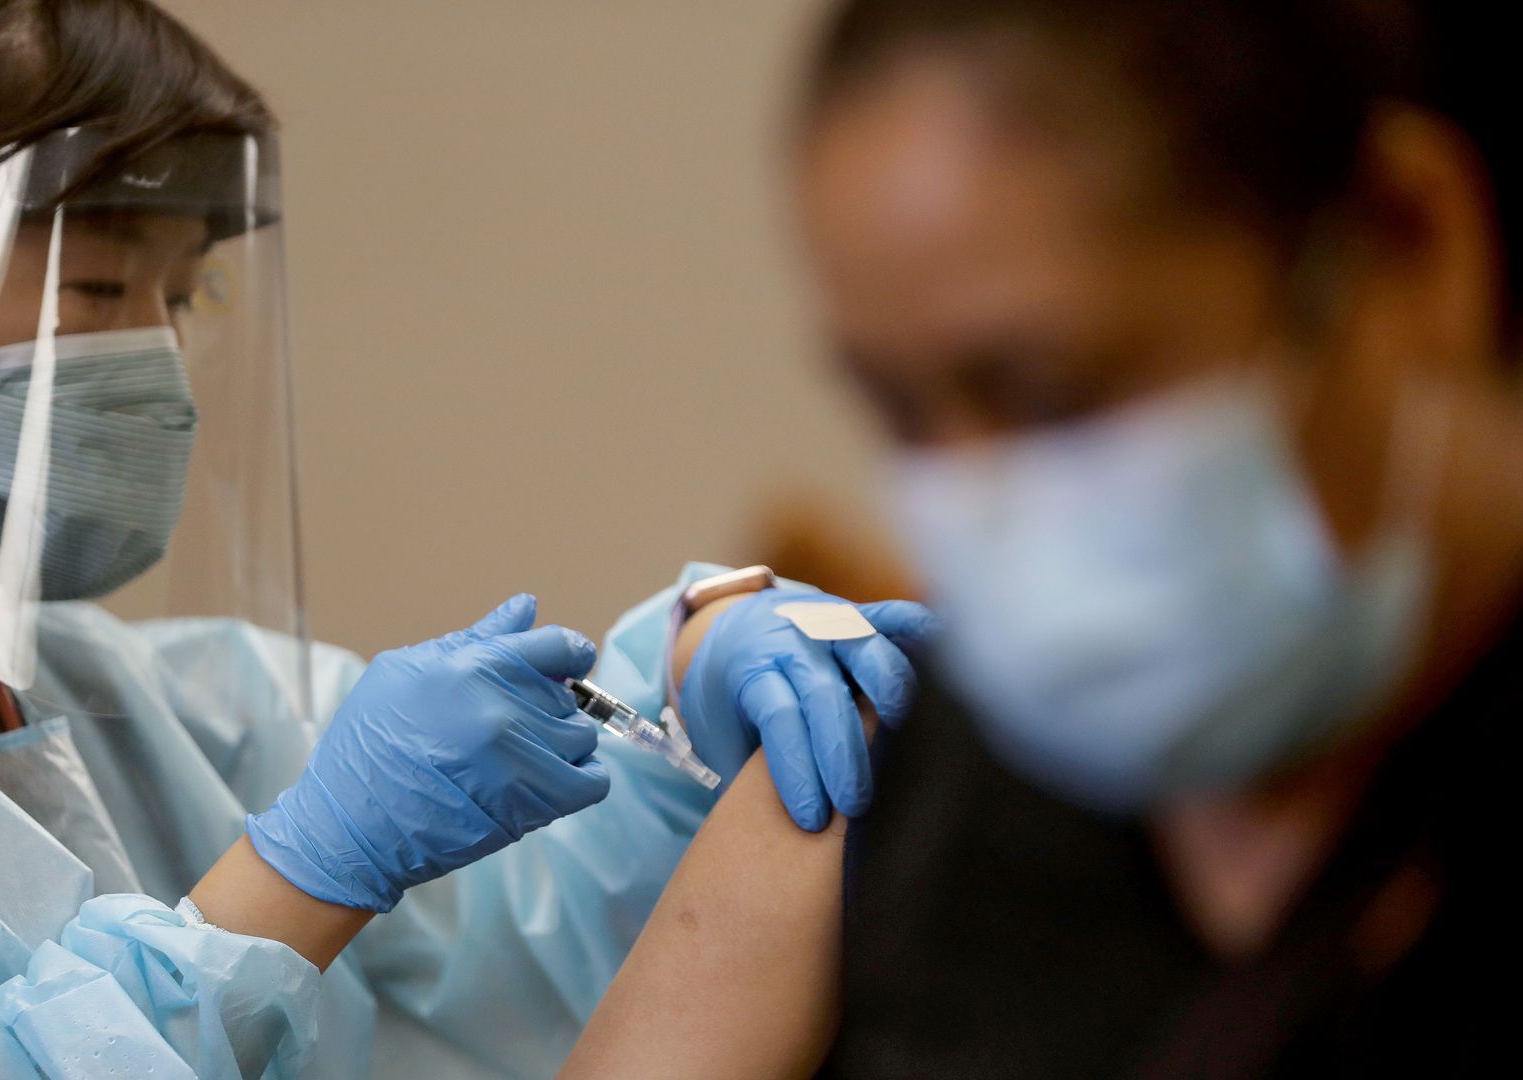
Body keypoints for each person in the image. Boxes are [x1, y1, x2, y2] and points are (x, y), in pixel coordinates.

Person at [0, 2, 919, 1077]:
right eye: (103, 289)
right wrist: (302, 878)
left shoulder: (109, 701)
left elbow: (514, 945)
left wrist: (685, 707)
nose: (159, 369)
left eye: (180, 299)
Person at [565, 0, 1519, 1075]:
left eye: (1054, 395)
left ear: (1408, 242)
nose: (989, 510)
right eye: (902, 415)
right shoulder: (920, 796)